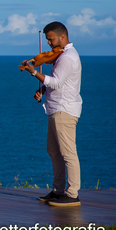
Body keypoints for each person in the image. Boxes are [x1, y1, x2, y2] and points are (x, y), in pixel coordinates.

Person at [22, 21, 82, 207]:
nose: (48, 43)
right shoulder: (61, 55)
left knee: (67, 152)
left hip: (64, 109)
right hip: (55, 108)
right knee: (54, 151)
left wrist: (34, 73)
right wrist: (42, 89)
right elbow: (56, 84)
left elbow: (56, 82)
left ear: (62, 36)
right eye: (47, 39)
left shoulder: (67, 57)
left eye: (51, 39)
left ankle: (72, 194)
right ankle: (58, 190)